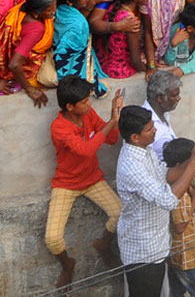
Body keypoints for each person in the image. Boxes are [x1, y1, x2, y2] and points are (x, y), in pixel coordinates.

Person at [115, 105, 195, 297]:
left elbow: (165, 174)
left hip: (157, 246)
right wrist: (192, 165)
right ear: (135, 137)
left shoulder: (144, 150)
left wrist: (193, 158)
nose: (155, 130)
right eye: (150, 129)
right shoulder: (132, 166)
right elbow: (167, 200)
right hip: (143, 252)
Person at [45, 78, 124, 290]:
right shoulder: (59, 127)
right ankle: (68, 264)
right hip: (66, 184)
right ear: (70, 106)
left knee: (121, 214)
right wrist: (111, 121)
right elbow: (86, 150)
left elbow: (111, 139)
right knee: (52, 239)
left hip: (92, 180)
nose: (89, 104)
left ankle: (103, 244)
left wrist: (113, 119)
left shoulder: (88, 114)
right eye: (85, 101)